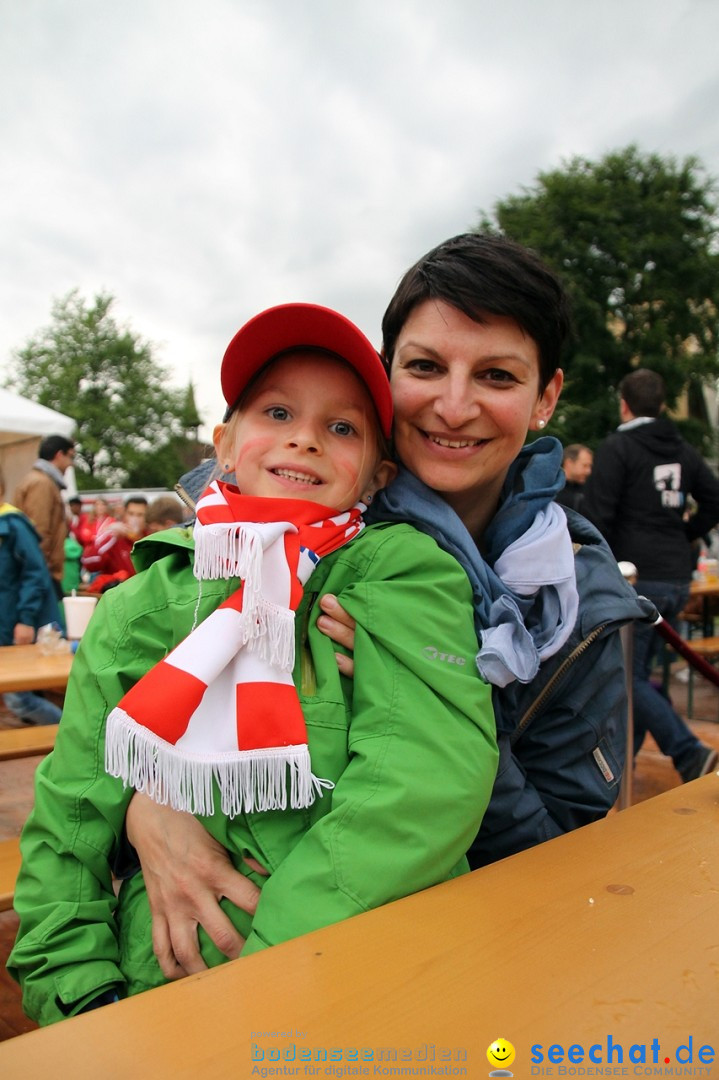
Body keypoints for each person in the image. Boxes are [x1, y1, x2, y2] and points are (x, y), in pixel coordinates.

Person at [117, 233, 655, 980]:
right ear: (385, 372)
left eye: (496, 375)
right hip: (217, 959)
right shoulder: (254, 518)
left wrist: (430, 698)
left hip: (445, 969)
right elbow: (119, 702)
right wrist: (145, 806)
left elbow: (561, 864)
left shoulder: (582, 603)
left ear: (546, 399)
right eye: (425, 367)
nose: (454, 405)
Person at [9, 302, 498, 1025]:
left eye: (341, 427)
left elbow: (420, 784)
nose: (304, 438)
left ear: (374, 474)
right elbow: (70, 822)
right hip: (157, 1001)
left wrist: (264, 984)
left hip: (364, 988)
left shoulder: (400, 573)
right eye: (277, 412)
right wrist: (84, 1002)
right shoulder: (133, 609)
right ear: (226, 444)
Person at [582, 368, 719, 781]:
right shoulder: (685, 450)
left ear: (624, 404)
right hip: (678, 579)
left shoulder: (619, 447)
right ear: (661, 406)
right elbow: (714, 500)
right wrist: (685, 534)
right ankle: (628, 760)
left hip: (636, 579)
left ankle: (688, 752)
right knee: (640, 675)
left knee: (628, 679)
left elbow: (597, 516)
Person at [0, 470, 62, 726]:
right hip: (5, 622)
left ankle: (67, 734)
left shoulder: (13, 524)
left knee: (19, 698)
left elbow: (35, 573)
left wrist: (26, 619)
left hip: (17, 621)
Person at [13, 434, 76, 600]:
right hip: (40, 571)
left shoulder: (43, 481)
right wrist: (39, 570)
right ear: (59, 455)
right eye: (71, 457)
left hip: (40, 570)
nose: (71, 464)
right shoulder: (42, 483)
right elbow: (39, 531)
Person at [81, 495, 149, 591]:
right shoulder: (114, 538)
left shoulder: (150, 538)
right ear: (124, 514)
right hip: (118, 597)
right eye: (131, 514)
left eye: (140, 515)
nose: (135, 519)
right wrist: (108, 536)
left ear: (146, 517)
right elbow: (89, 564)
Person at [555, 443, 593, 512]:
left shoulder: (589, 492)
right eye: (585, 466)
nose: (588, 471)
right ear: (569, 463)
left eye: (590, 466)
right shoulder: (551, 490)